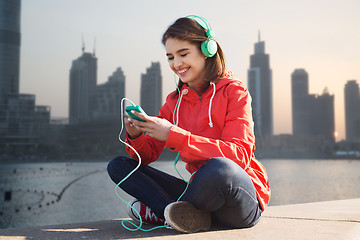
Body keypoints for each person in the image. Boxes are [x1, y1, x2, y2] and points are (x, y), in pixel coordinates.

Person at [107, 15, 270, 234]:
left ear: (207, 50)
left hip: (238, 197)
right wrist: (136, 134)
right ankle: (174, 213)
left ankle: (162, 211)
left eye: (183, 54)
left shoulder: (234, 91)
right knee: (119, 166)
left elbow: (239, 155)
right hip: (199, 196)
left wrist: (174, 135)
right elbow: (144, 158)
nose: (176, 64)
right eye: (170, 57)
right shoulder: (174, 102)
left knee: (220, 169)